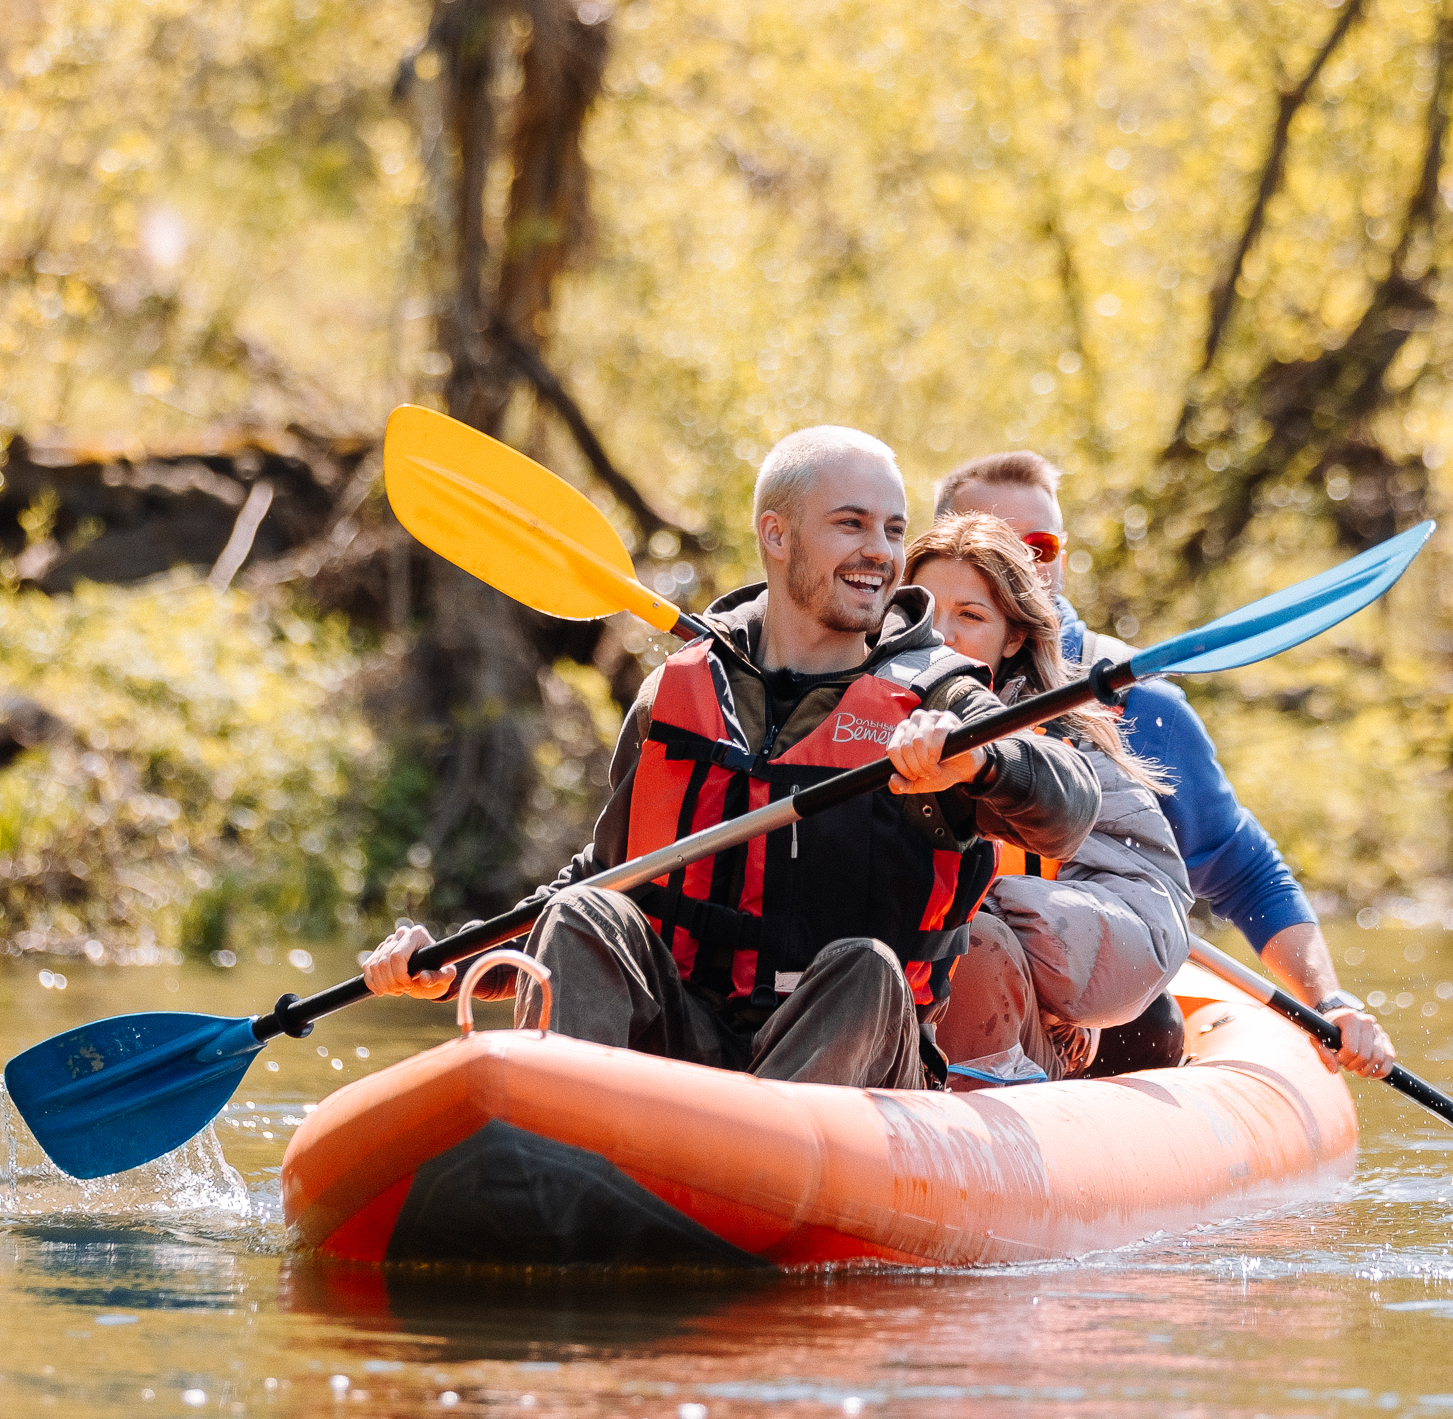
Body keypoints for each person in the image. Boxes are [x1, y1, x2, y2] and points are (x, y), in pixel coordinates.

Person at [359, 425, 1099, 1090]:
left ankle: (754, 1176)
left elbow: (1068, 807)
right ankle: (554, 1140)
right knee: (588, 912)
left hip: (850, 1063)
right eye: (851, 524)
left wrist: (979, 763)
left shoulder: (940, 694)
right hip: (690, 1038)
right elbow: (604, 875)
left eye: (894, 529)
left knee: (865, 967)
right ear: (776, 536)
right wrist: (453, 963)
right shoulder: (678, 691)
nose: (880, 550)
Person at [934, 450, 1398, 1079]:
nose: (1019, 566)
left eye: (1037, 546)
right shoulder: (873, 686)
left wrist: (1328, 1000)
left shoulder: (1136, 704)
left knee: (1150, 1025)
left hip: (1069, 996)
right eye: (992, 547)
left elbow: (1244, 872)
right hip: (927, 974)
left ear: (1061, 559)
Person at [908, 512, 1193, 1082]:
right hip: (879, 997)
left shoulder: (1069, 745)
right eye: (923, 611)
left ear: (1013, 635)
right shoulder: (849, 713)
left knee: (978, 943)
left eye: (970, 615)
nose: (941, 634)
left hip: (1011, 1007)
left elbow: (1152, 918)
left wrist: (1034, 955)